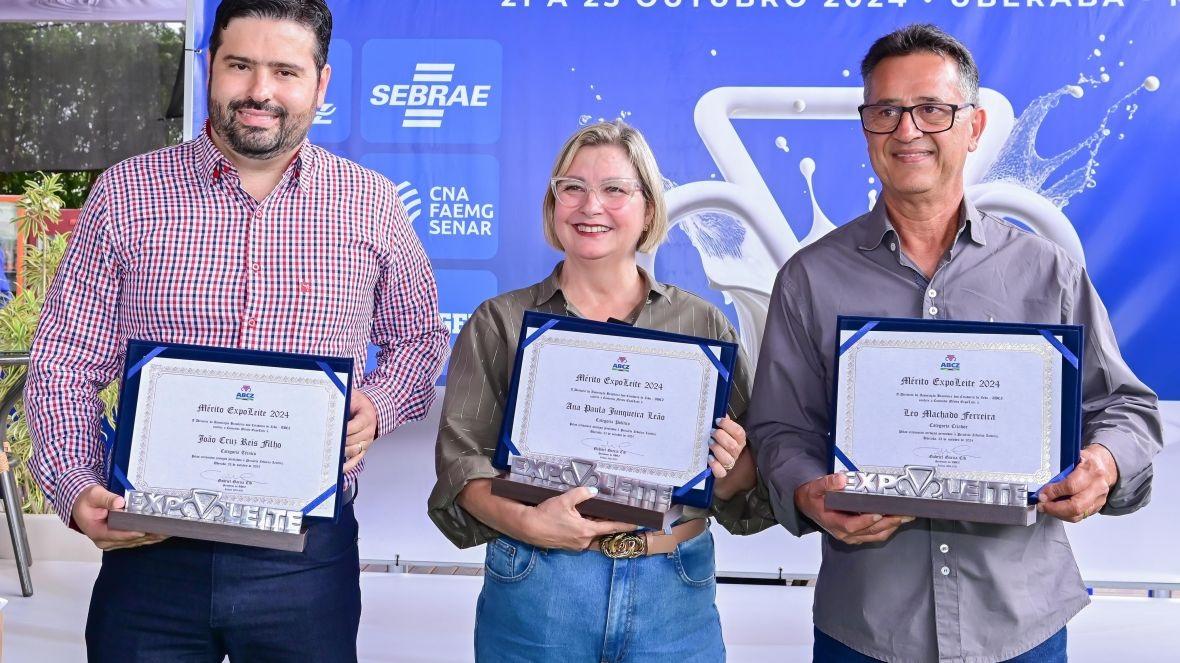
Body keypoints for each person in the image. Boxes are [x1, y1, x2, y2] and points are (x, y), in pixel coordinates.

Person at [25, 1, 448, 660]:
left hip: (305, 557)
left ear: (322, 83)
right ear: (210, 66)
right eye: (240, 66)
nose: (260, 92)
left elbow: (420, 338)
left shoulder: (372, 205)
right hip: (151, 554)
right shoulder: (127, 195)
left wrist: (378, 405)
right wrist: (77, 486)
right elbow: (63, 366)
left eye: (285, 70)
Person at [746, 24, 1163, 663]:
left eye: (932, 110)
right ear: (866, 130)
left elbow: (1127, 409)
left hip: (1020, 624)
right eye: (885, 111)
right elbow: (778, 429)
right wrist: (808, 492)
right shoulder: (810, 278)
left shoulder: (1046, 270)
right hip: (866, 627)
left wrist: (1103, 465)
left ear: (973, 127)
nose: (907, 130)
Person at [427, 120, 775, 662]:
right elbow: (461, 466)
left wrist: (734, 467)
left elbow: (745, 486)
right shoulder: (499, 321)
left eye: (614, 189)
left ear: (649, 209)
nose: (592, 206)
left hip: (673, 588)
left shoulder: (703, 325)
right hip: (538, 584)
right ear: (553, 203)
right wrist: (531, 523)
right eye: (573, 188)